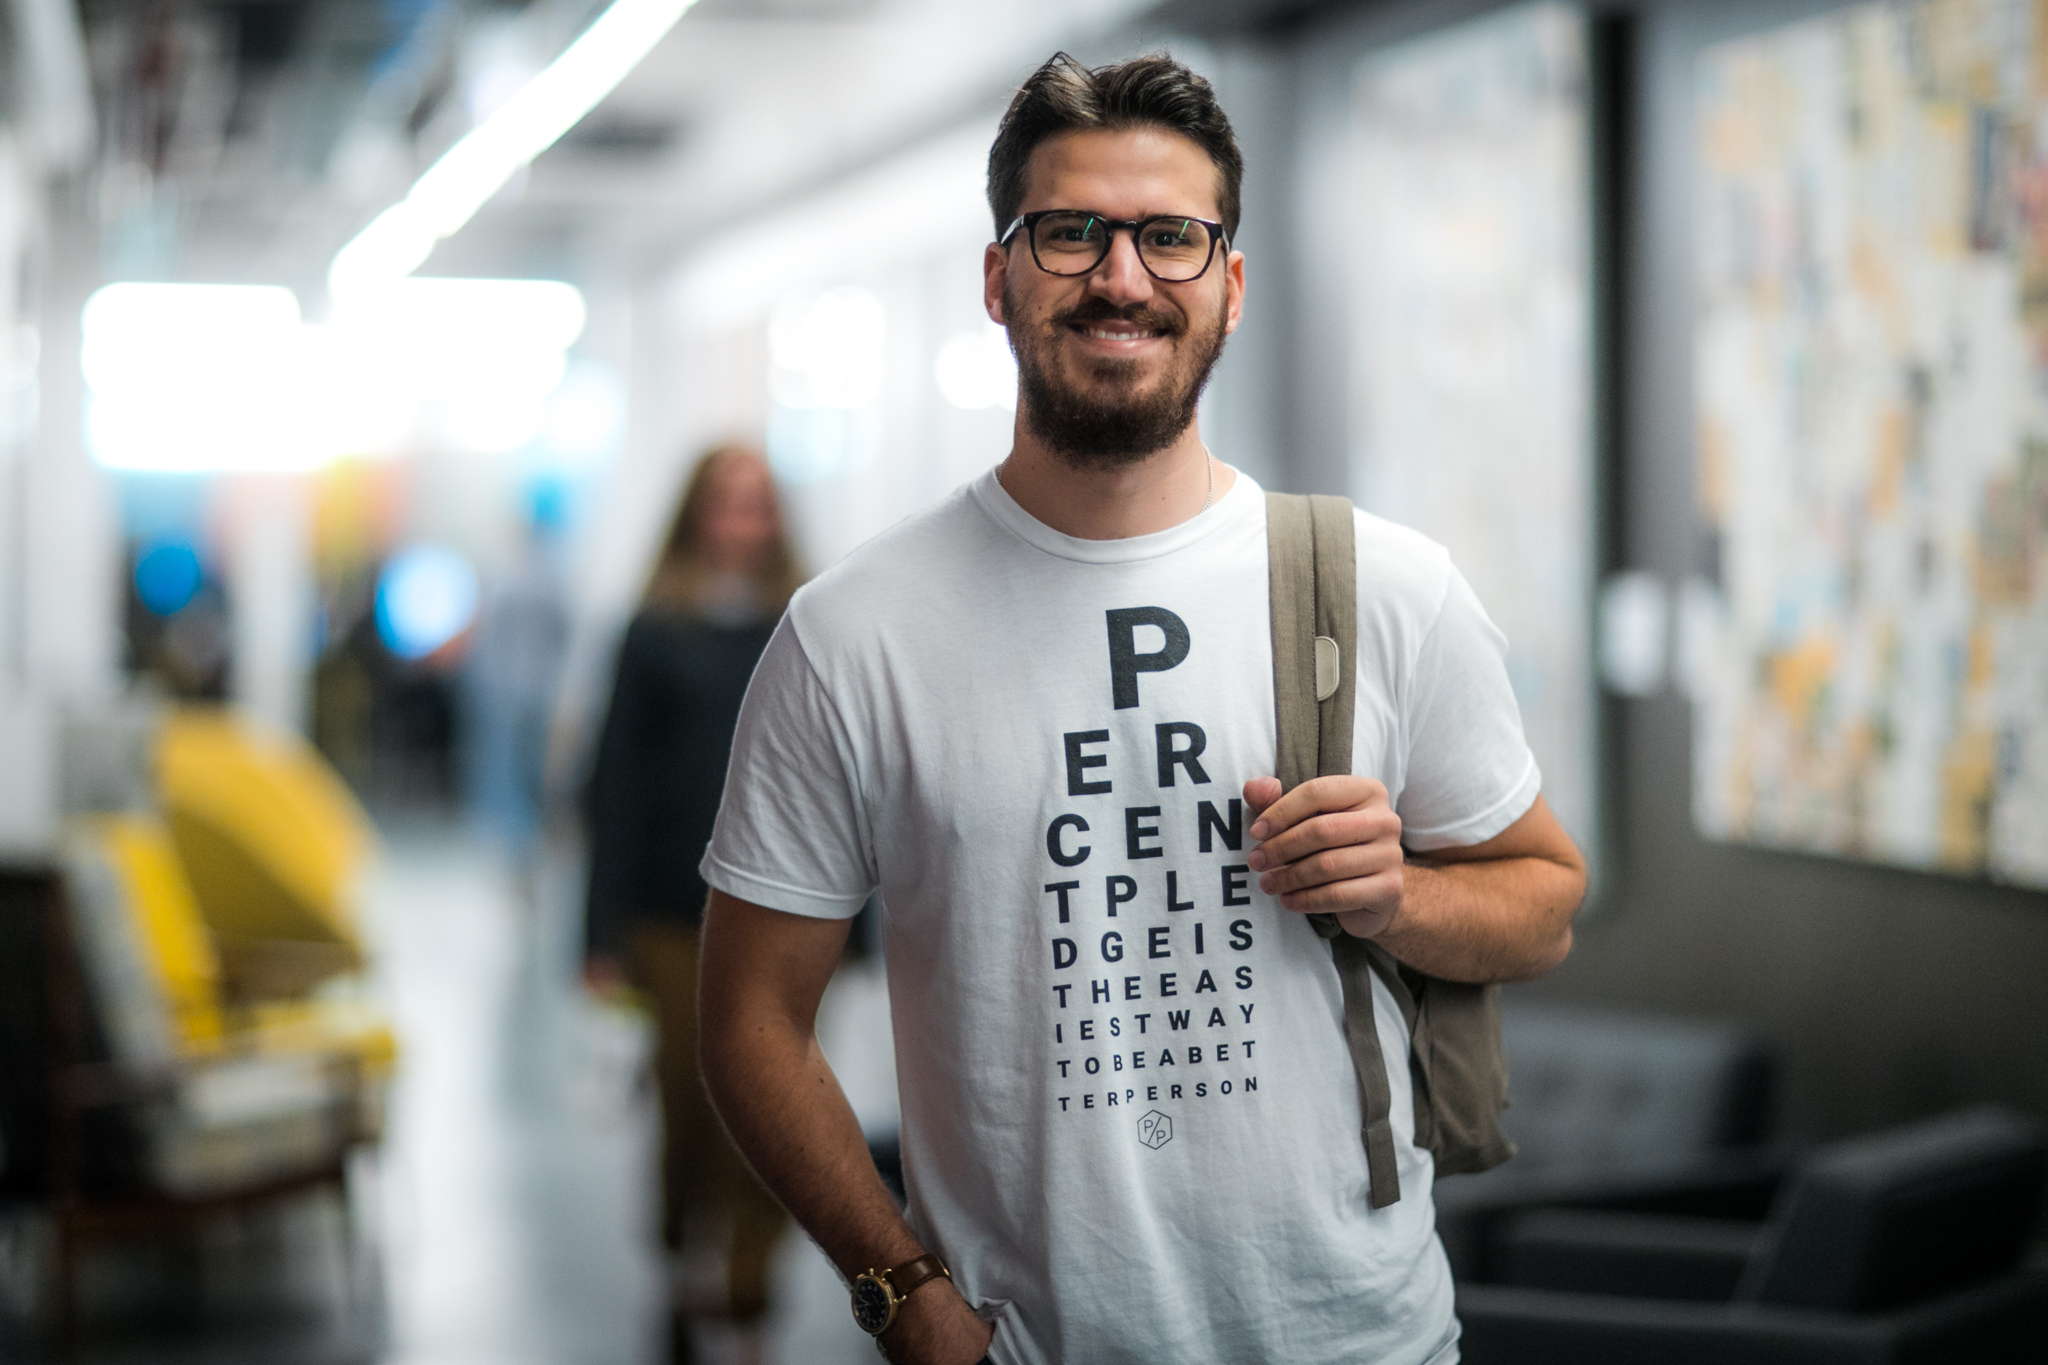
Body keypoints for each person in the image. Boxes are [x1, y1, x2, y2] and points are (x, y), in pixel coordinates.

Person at [697, 53, 1586, 1365]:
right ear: (999, 278)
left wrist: (1399, 894)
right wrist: (905, 1296)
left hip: (1365, 1341)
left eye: (1170, 237)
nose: (1123, 278)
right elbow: (747, 1021)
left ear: (1228, 285)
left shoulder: (1383, 590)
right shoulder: (854, 635)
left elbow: (1545, 902)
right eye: (1073, 233)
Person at [582, 444, 802, 1362]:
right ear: (695, 514)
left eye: (757, 503)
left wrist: (865, 931)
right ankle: (681, 1263)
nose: (741, 521)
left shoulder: (806, 625)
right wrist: (598, 936)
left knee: (779, 1117)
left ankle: (747, 1301)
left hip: (790, 916)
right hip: (673, 914)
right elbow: (614, 786)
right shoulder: (650, 629)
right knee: (686, 1106)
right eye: (725, 503)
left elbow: (839, 783)